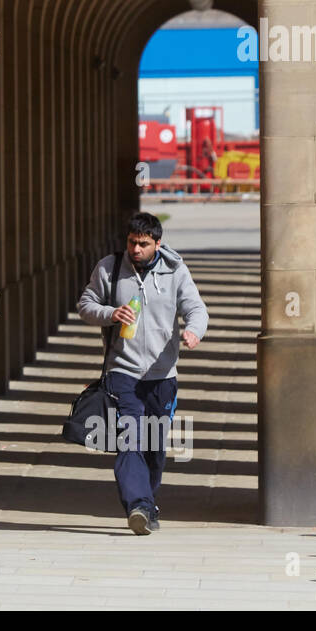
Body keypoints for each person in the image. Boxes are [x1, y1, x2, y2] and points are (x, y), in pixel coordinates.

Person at [77, 212, 208, 535]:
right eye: (132, 243)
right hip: (122, 372)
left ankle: (147, 503)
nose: (136, 249)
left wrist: (194, 331)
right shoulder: (109, 267)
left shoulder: (175, 270)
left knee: (154, 446)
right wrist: (110, 313)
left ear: (157, 244)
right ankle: (138, 505)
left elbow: (196, 308)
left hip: (162, 376)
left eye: (144, 244)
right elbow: (85, 304)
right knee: (129, 440)